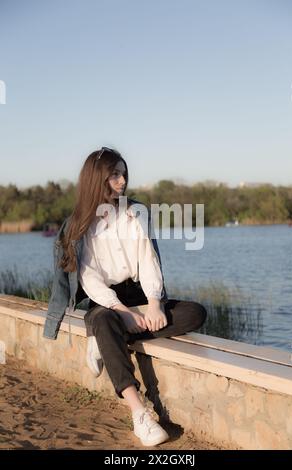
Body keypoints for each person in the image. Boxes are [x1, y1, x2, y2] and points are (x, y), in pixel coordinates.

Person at [43, 147, 207, 447]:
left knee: (195, 313)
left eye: (123, 173)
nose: (122, 181)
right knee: (106, 321)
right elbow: (89, 278)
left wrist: (155, 303)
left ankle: (104, 341)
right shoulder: (79, 224)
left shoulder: (136, 212)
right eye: (115, 175)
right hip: (105, 301)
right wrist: (121, 311)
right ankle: (139, 413)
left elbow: (148, 260)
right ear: (97, 179)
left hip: (142, 294)